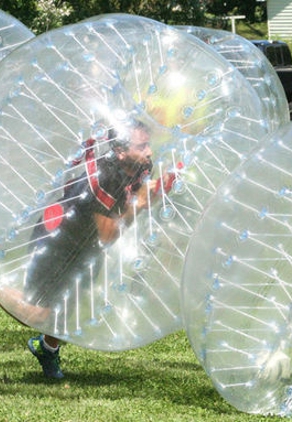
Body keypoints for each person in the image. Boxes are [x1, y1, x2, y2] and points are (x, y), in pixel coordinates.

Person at [1, 119, 174, 379]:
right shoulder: (104, 178)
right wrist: (139, 204)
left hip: (84, 243)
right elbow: (108, 234)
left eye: (149, 144)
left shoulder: (139, 165)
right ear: (121, 151)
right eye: (142, 146)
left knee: (67, 306)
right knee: (39, 314)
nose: (149, 152)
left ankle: (46, 349)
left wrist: (155, 188)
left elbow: (130, 197)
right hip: (58, 236)